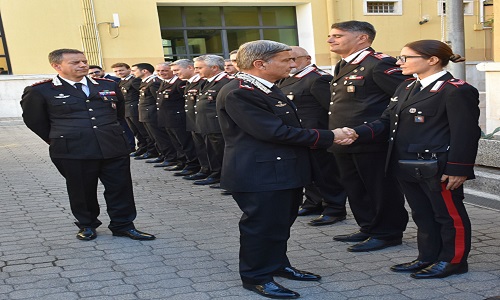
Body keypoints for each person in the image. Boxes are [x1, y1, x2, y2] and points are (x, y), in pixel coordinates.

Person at [216, 40, 355, 299]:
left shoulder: (266, 87)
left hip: (281, 172)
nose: (292, 64)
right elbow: (274, 132)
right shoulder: (240, 91)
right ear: (260, 64)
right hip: (260, 174)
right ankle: (256, 277)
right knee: (261, 226)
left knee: (280, 224)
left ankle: (278, 265)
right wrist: (330, 136)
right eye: (286, 60)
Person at [345, 40, 480, 279]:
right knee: (422, 213)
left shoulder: (456, 89)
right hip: (406, 164)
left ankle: (453, 260)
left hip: (437, 166)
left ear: (432, 60)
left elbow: (466, 133)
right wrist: (358, 133)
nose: (399, 63)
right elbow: (387, 121)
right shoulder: (406, 87)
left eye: (406, 58)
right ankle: (427, 256)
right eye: (401, 57)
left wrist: (458, 168)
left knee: (448, 215)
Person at [20, 49, 155, 241]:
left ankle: (123, 225)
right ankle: (87, 224)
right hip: (73, 149)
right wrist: (58, 138)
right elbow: (35, 121)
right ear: (57, 66)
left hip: (112, 146)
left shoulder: (108, 84)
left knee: (120, 187)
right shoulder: (41, 90)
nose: (83, 65)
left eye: (84, 61)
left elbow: (119, 114)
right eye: (75, 62)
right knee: (81, 189)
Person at [326, 20, 410, 252]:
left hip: (371, 139)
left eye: (337, 35)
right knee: (355, 187)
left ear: (362, 38)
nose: (330, 40)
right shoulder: (343, 65)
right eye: (331, 36)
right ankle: (369, 227)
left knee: (379, 188)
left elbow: (404, 99)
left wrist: (373, 128)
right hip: (344, 138)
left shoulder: (379, 64)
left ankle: (388, 232)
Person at [277, 46, 348, 226]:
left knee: (326, 174)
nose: (291, 64)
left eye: (294, 59)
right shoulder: (288, 79)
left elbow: (331, 109)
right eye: (287, 60)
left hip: (318, 134)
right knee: (309, 172)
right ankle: (313, 202)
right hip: (301, 135)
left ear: (307, 59)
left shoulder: (318, 79)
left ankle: (334, 208)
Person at [192, 55, 231, 186]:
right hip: (207, 124)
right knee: (213, 152)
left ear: (214, 67)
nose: (196, 71)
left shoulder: (226, 82)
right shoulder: (206, 81)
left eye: (199, 68)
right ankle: (216, 175)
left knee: (222, 153)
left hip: (218, 125)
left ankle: (225, 179)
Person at [156, 62, 200, 176]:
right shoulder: (165, 83)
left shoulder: (180, 83)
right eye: (159, 71)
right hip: (168, 118)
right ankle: (182, 162)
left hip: (178, 118)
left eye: (165, 70)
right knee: (177, 143)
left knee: (185, 143)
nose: (162, 73)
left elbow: (185, 101)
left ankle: (192, 165)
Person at [171, 59, 211, 182]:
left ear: (189, 67)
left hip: (202, 121)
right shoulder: (188, 82)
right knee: (199, 147)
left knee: (207, 149)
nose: (175, 73)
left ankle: (210, 170)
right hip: (193, 120)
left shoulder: (202, 82)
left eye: (177, 70)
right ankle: (204, 169)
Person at [89, 64, 135, 151]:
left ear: (103, 71)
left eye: (97, 72)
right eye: (91, 73)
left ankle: (130, 146)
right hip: (104, 110)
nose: (94, 74)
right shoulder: (91, 83)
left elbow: (121, 98)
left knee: (125, 128)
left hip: (119, 108)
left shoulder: (114, 81)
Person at [111, 62, 152, 158]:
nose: (119, 72)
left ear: (129, 70)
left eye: (121, 70)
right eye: (116, 71)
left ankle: (150, 150)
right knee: (136, 131)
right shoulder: (120, 82)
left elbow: (143, 95)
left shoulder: (134, 81)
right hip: (127, 109)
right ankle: (142, 147)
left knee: (143, 131)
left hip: (135, 109)